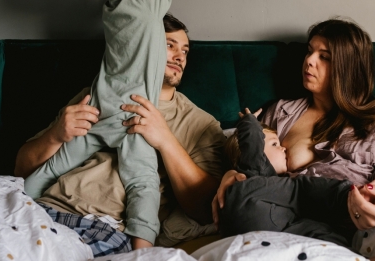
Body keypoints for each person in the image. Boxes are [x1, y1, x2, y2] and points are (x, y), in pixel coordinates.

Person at [15, 13, 226, 256]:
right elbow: (21, 170)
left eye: (185, 51)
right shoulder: (96, 95)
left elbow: (206, 207)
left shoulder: (199, 122)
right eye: (169, 45)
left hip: (101, 225)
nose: (180, 57)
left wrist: (165, 140)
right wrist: (55, 135)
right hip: (38, 208)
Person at [23, 0, 182, 249]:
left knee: (56, 165)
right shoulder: (150, 3)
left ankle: (19, 199)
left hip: (96, 109)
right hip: (133, 116)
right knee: (143, 182)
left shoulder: (110, 10)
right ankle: (142, 249)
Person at [213, 18, 375, 246]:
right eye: (309, 52)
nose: (309, 61)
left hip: (349, 221)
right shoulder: (281, 113)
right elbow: (254, 160)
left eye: (325, 57)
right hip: (284, 225)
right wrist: (232, 173)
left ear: (348, 67)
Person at [221, 110, 375, 247]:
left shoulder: (272, 186)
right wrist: (250, 122)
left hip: (282, 228)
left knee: (318, 232)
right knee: (300, 190)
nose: (284, 148)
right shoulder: (255, 165)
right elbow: (252, 140)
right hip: (260, 219)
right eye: (275, 144)